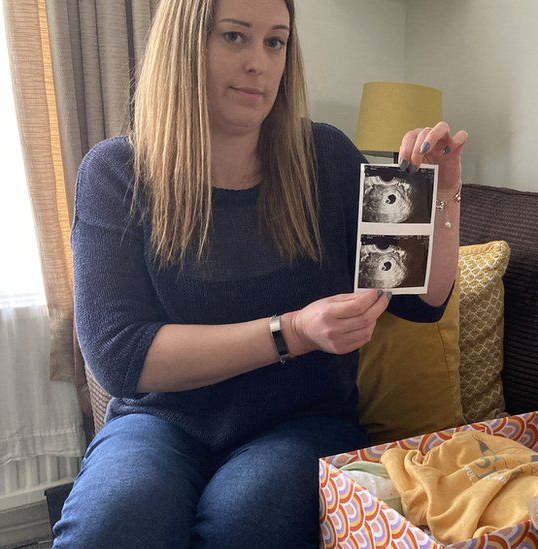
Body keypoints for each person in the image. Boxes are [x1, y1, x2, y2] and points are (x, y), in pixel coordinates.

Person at [51, 0, 467, 546]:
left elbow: (422, 300)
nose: (259, 63)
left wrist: (444, 194)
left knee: (246, 521)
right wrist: (292, 331)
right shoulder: (117, 173)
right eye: (234, 37)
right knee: (115, 522)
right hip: (161, 423)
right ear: (185, 46)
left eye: (275, 42)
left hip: (301, 423)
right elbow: (119, 355)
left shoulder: (328, 157)